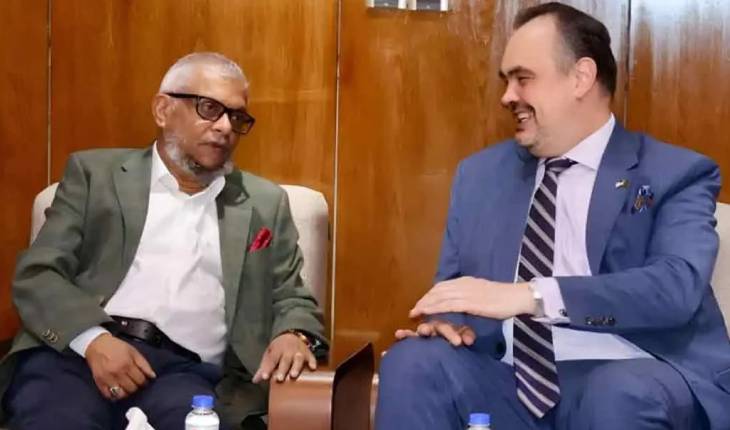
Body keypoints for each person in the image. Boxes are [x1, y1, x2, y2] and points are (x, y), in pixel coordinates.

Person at [375, 3, 730, 430]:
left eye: (523, 78)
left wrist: (533, 296)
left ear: (581, 77)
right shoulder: (480, 176)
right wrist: (447, 325)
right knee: (412, 363)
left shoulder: (674, 172)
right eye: (506, 81)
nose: (508, 96)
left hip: (633, 374)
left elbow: (675, 287)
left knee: (616, 393)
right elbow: (455, 293)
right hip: (509, 381)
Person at [0, 52, 327, 430]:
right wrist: (92, 340)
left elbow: (291, 295)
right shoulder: (95, 176)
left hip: (186, 377)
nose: (225, 127)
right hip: (77, 358)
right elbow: (38, 273)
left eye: (237, 117)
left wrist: (294, 334)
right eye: (209, 108)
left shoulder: (264, 203)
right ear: (163, 110)